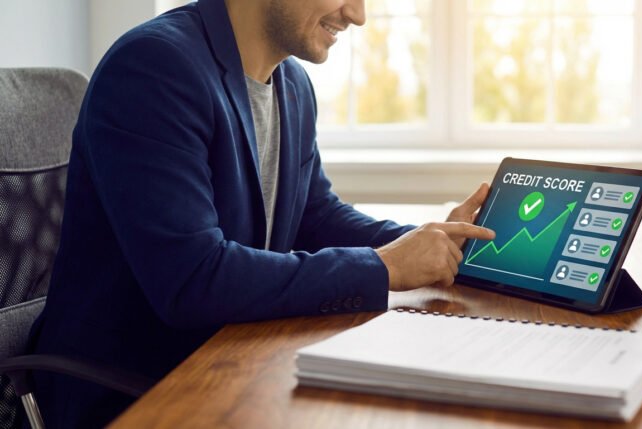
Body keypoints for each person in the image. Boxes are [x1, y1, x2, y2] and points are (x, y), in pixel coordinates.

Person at [25, 0, 495, 427]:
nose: (358, 15)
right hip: (138, 392)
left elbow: (316, 216)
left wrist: (431, 243)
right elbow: (193, 279)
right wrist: (387, 266)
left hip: (236, 363)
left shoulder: (291, 84)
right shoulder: (154, 69)